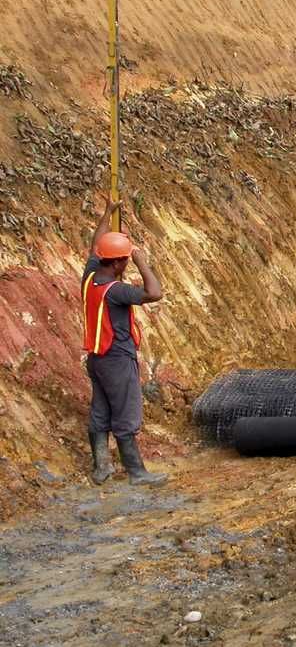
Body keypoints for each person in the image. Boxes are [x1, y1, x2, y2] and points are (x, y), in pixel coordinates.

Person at [83, 199, 166, 486]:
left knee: (101, 410)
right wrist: (141, 259)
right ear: (118, 262)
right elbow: (155, 293)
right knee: (126, 414)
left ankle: (101, 467)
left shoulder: (91, 276)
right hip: (117, 359)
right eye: (125, 259)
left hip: (96, 359)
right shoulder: (116, 290)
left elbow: (97, 243)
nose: (127, 262)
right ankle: (136, 472)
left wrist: (107, 212)